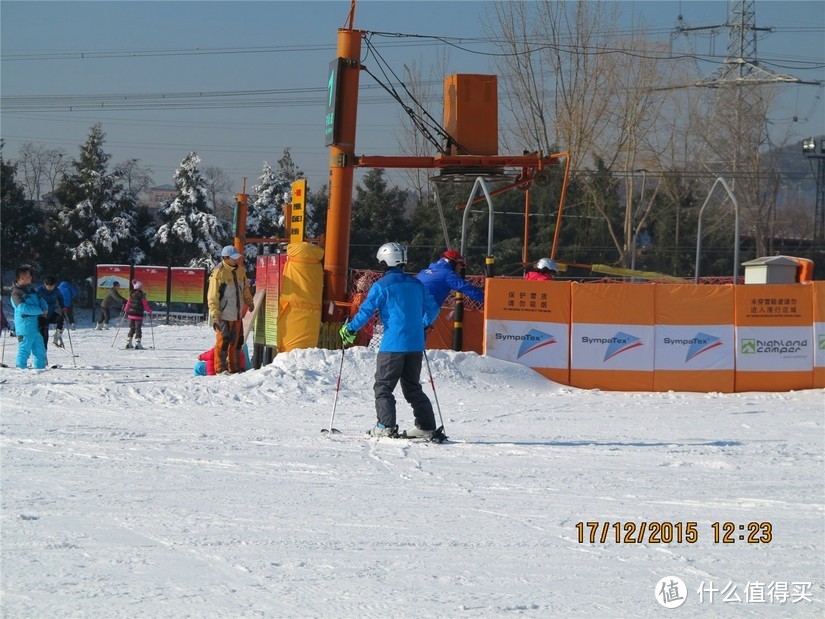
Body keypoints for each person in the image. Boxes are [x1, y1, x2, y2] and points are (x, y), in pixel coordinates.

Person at [340, 243, 441, 439]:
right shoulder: (417, 284)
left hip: (393, 345)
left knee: (383, 386)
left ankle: (385, 425)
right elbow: (433, 308)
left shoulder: (381, 286)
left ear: (386, 261)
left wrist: (350, 328)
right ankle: (426, 426)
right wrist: (423, 324)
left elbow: (366, 312)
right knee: (412, 387)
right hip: (415, 345)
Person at [207, 245, 255, 374]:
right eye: (233, 258)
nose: (236, 260)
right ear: (225, 258)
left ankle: (234, 368)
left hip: (237, 314)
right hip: (223, 315)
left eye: (237, 258)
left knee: (237, 342)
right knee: (223, 342)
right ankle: (220, 369)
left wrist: (249, 302)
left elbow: (245, 289)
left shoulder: (240, 270)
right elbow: (212, 295)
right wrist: (215, 313)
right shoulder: (218, 272)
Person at [416, 249, 484, 307]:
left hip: (411, 304)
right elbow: (466, 287)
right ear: (453, 263)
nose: (460, 269)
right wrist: (486, 299)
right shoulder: (447, 274)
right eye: (459, 265)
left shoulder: (424, 271)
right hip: (423, 309)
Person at [10, 266, 48, 370]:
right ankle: (20, 371)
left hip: (36, 327)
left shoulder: (32, 290)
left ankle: (40, 371)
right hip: (25, 328)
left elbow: (42, 301)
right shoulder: (15, 294)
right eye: (28, 275)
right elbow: (23, 308)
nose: (31, 277)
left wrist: (44, 308)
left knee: (40, 351)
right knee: (24, 350)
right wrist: (40, 310)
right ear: (22, 278)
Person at [36, 276, 66, 349]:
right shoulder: (39, 290)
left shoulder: (56, 290)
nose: (50, 288)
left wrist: (63, 307)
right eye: (48, 286)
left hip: (51, 313)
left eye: (52, 286)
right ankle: (44, 351)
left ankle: (57, 336)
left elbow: (60, 298)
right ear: (45, 284)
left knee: (60, 319)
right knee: (45, 335)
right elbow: (34, 300)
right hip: (42, 316)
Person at [123, 280, 152, 349]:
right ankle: (138, 343)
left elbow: (128, 304)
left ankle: (128, 342)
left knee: (132, 328)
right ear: (140, 288)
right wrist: (149, 311)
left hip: (131, 315)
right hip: (138, 315)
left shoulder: (131, 296)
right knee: (138, 329)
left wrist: (126, 310)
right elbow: (146, 305)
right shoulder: (142, 297)